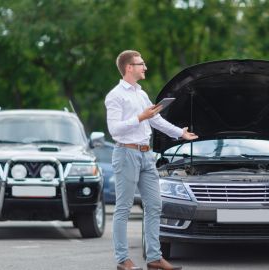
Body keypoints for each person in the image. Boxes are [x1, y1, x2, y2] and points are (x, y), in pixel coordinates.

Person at [105, 50, 197, 270]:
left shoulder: (141, 94)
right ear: (129, 67)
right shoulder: (115, 95)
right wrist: (140, 117)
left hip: (147, 155)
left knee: (155, 205)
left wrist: (179, 133)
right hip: (126, 153)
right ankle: (122, 260)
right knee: (123, 208)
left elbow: (156, 120)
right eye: (141, 64)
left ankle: (154, 258)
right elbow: (114, 130)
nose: (145, 67)